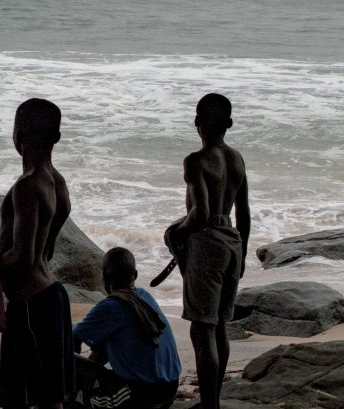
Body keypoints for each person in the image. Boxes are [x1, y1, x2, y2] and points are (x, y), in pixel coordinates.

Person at [165, 93, 249, 409]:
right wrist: (242, 250)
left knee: (202, 330)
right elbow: (245, 211)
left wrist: (176, 232)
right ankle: (215, 398)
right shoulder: (237, 159)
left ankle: (209, 403)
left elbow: (199, 213)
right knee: (222, 325)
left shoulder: (196, 161)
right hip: (232, 240)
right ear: (228, 124)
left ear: (197, 123)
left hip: (208, 241)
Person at [0, 98, 74, 409]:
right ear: (56, 137)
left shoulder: (27, 186)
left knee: (24, 400)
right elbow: (47, 249)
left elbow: (24, 258)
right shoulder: (57, 183)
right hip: (51, 297)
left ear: (19, 135)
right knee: (50, 397)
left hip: (30, 306)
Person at [73, 247, 181, 409]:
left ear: (104, 277)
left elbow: (70, 339)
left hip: (144, 396)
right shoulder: (144, 296)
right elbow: (101, 349)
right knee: (107, 339)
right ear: (135, 275)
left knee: (66, 359)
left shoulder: (110, 306)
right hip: (170, 388)